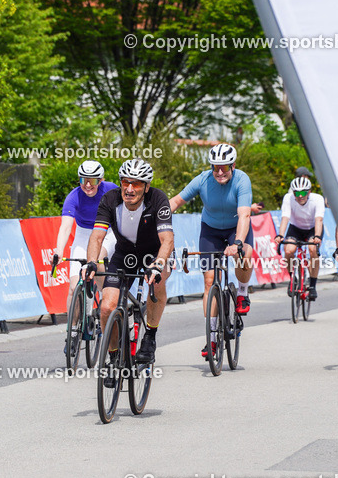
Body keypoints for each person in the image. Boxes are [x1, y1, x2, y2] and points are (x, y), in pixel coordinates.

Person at [84, 159, 174, 366]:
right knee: (107, 307)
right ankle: (114, 355)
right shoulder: (110, 199)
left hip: (155, 253)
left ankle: (150, 336)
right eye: (125, 182)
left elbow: (167, 239)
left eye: (136, 184)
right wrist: (90, 262)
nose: (130, 189)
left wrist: (159, 264)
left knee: (157, 283)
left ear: (146, 186)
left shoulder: (158, 199)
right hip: (125, 254)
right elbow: (97, 236)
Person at [169, 143, 255, 359]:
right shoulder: (203, 179)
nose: (219, 172)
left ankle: (243, 292)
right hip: (211, 230)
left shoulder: (242, 180)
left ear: (233, 166)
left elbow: (244, 215)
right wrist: (156, 216)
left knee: (245, 254)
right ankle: (212, 338)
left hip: (237, 228)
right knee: (209, 282)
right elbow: (177, 201)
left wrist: (237, 243)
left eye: (224, 167)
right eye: (215, 167)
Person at [52, 160, 118, 313]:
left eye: (93, 180)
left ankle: (104, 298)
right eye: (83, 180)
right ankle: (73, 330)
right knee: (73, 287)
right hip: (83, 235)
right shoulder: (73, 196)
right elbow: (66, 227)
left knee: (98, 258)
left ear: (101, 180)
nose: (88, 185)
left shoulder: (111, 190)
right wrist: (59, 251)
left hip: (106, 233)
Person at [273, 177, 325, 300]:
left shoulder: (317, 199)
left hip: (313, 228)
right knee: (289, 250)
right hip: (296, 228)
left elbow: (319, 219)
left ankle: (312, 285)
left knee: (313, 250)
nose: (300, 196)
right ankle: (293, 278)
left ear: (309, 192)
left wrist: (317, 236)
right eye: (297, 193)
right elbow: (285, 217)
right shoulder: (288, 198)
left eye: (303, 193)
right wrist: (280, 235)